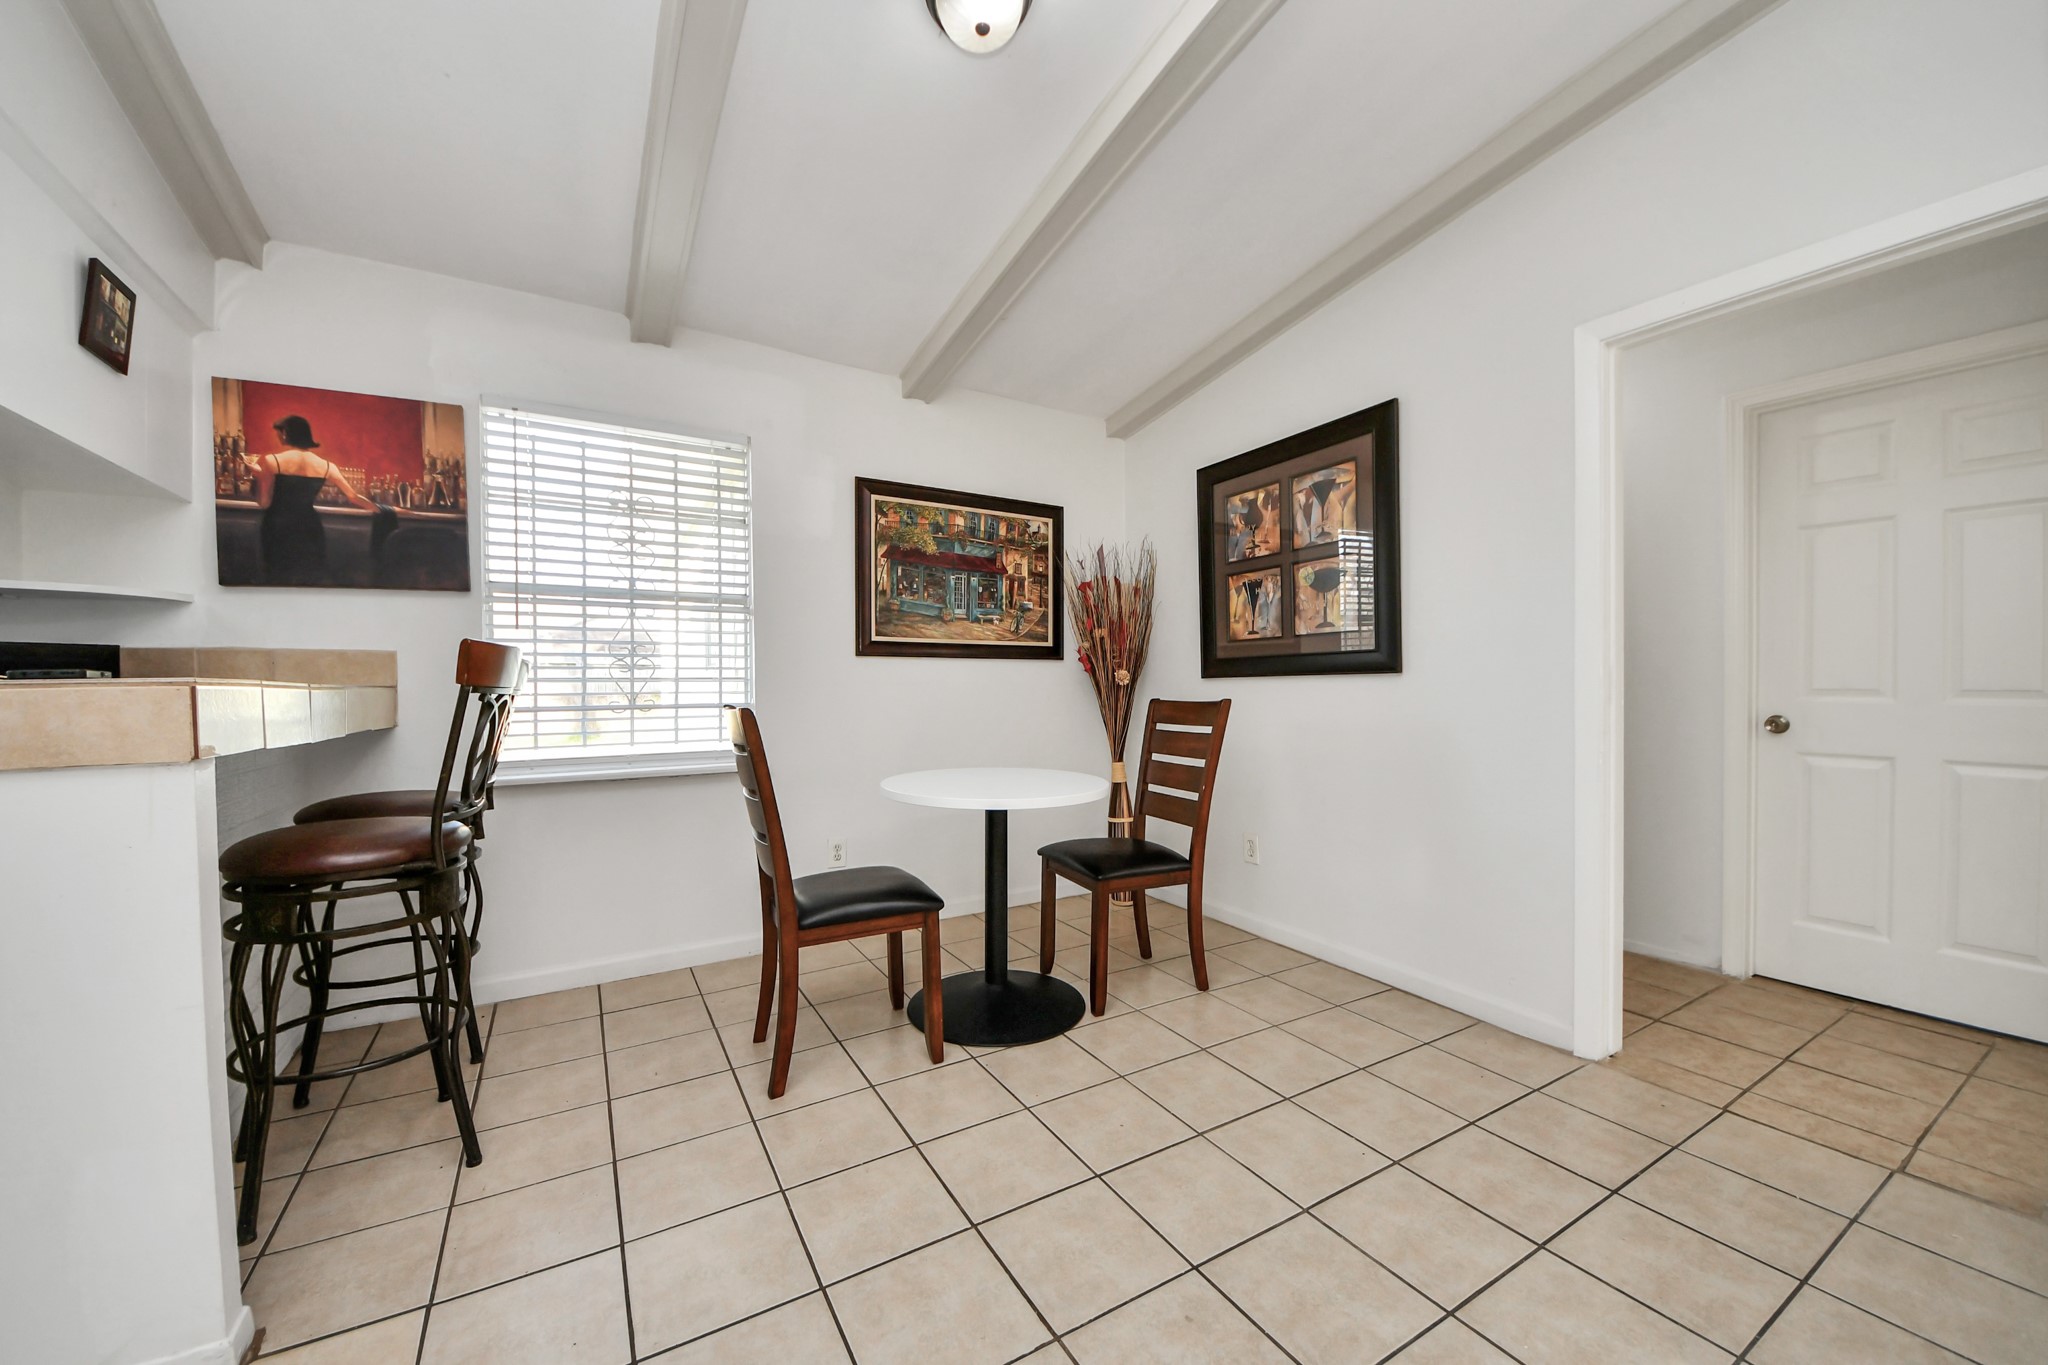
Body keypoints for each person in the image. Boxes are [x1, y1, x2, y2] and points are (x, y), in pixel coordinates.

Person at [250, 415, 382, 585]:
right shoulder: (327, 465)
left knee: (277, 578)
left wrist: (258, 476)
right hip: (309, 527)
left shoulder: (270, 461)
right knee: (309, 577)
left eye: (279, 433)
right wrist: (383, 509)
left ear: (285, 433)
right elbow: (353, 496)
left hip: (278, 526)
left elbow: (264, 502)